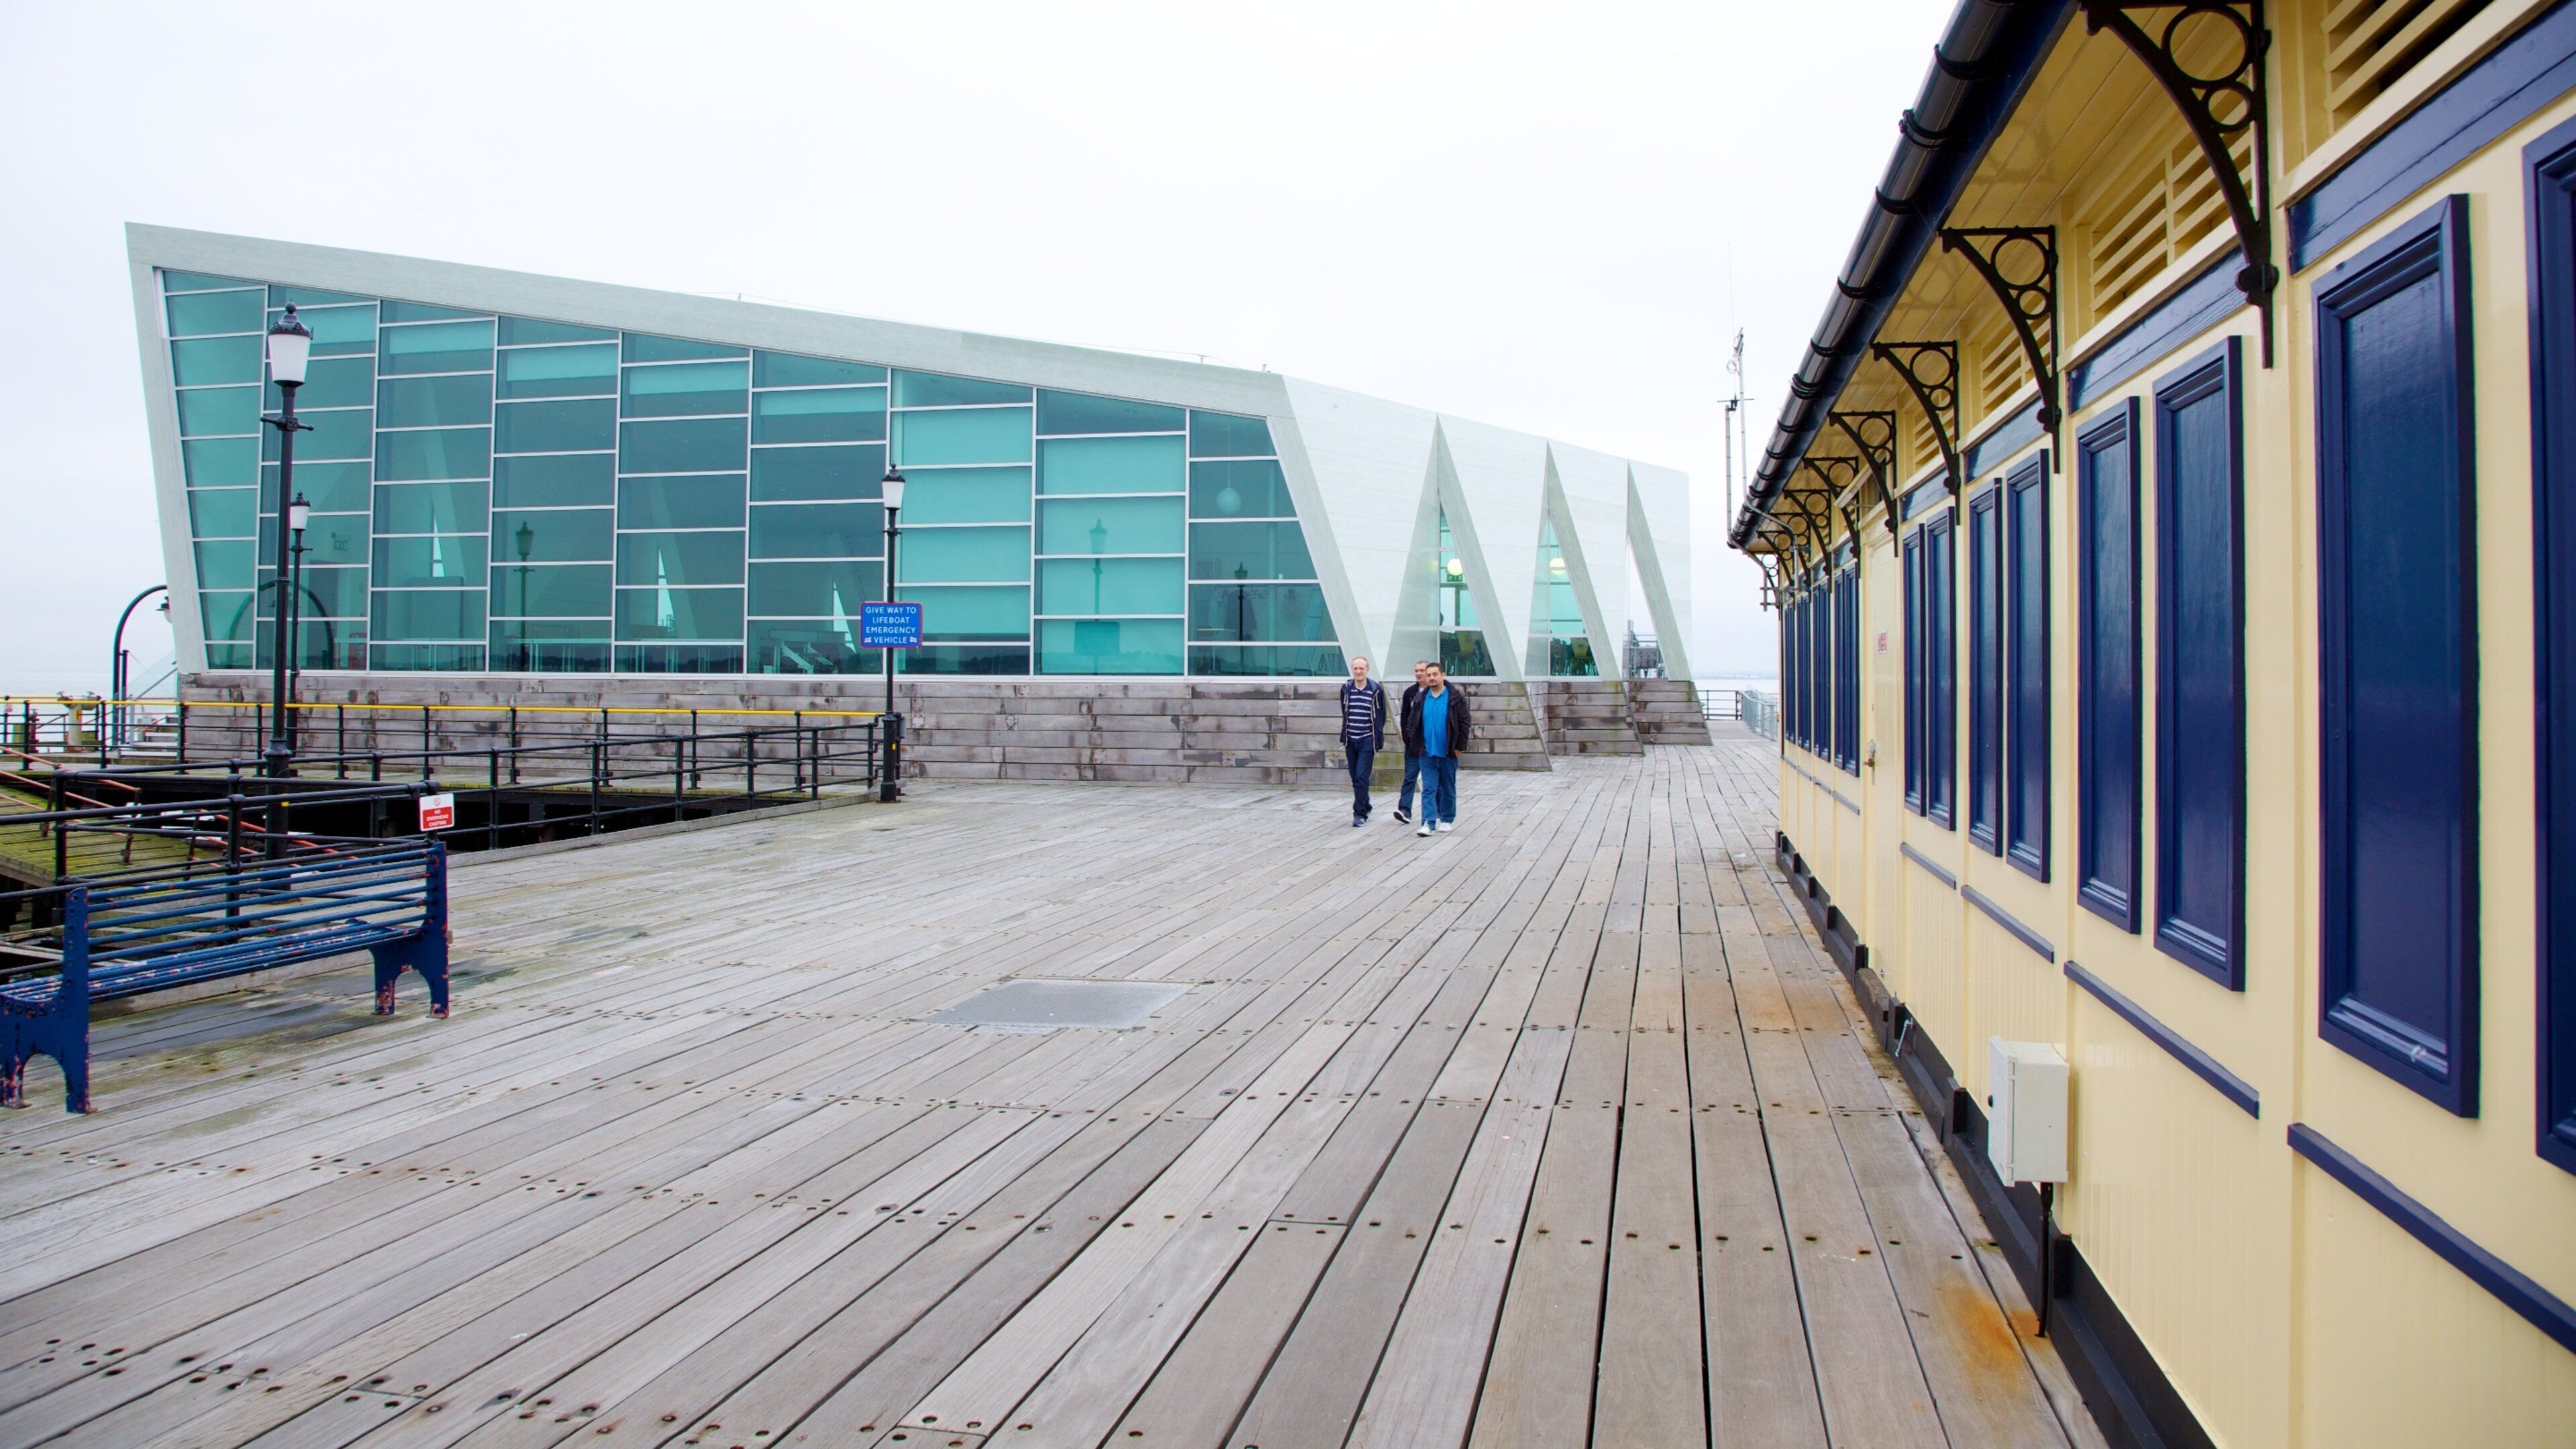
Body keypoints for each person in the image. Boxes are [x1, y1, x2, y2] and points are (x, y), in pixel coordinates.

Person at [1401, 662, 1471, 835]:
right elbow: (1412, 723)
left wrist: (1459, 748)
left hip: (1448, 751)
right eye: (1429, 675)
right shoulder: (1420, 699)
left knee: (1448, 786)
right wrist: (1415, 744)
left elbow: (1465, 723)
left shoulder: (1455, 698)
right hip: (1426, 752)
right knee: (1429, 788)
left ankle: (1447, 819)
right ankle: (1428, 822)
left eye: (1435, 674)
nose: (1432, 678)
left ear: (1443, 675)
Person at [1337, 656, 1389, 826]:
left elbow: (1381, 715)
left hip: (1367, 739)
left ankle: (1359, 814)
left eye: (1362, 669)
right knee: (1355, 777)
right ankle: (1366, 804)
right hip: (1351, 739)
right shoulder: (1346, 689)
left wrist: (1377, 735)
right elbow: (1345, 711)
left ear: (1367, 670)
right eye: (1356, 669)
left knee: (1361, 776)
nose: (1358, 672)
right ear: (1352, 670)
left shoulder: (1376, 690)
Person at [1392, 660, 1430, 824]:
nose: (1419, 673)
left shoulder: (1435, 691)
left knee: (1432, 778)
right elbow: (1405, 717)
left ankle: (1439, 810)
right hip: (1414, 744)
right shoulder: (1410, 693)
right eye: (1416, 671)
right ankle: (1404, 810)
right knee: (1410, 777)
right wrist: (1407, 738)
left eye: (1422, 670)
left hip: (1431, 743)